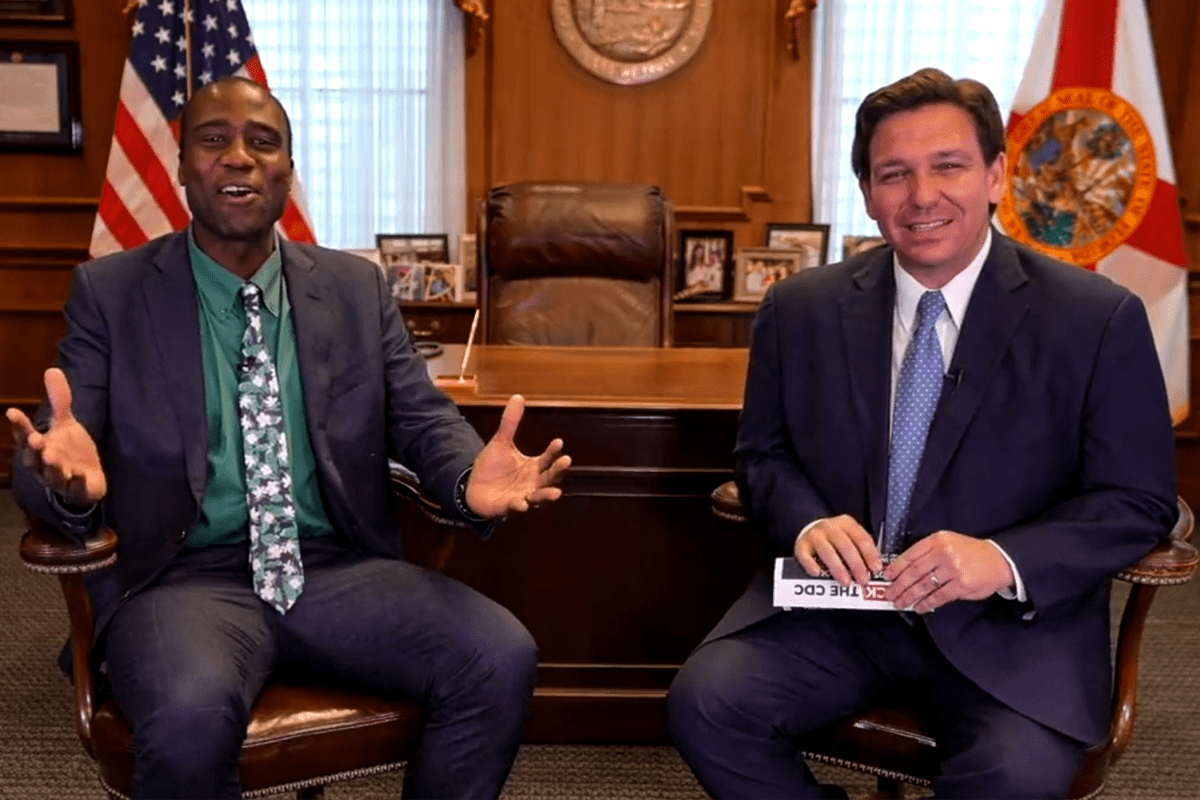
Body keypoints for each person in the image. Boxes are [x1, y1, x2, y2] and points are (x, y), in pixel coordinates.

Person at [7, 76, 570, 800]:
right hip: (183, 582)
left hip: (333, 570)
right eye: (214, 140)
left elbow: (422, 418)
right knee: (189, 718)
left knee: (499, 654)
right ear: (181, 165)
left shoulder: (353, 289)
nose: (238, 157)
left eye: (262, 142)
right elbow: (57, 441)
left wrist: (466, 478)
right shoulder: (111, 294)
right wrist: (62, 483)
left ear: (288, 169)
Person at [667, 67, 1177, 799]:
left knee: (1016, 773)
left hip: (1008, 630)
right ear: (869, 193)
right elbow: (763, 454)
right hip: (841, 615)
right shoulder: (798, 309)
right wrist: (808, 521)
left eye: (949, 166)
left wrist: (1001, 558)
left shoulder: (1097, 320)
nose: (922, 196)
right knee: (707, 704)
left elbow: (1137, 499)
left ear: (997, 175)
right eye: (894, 174)